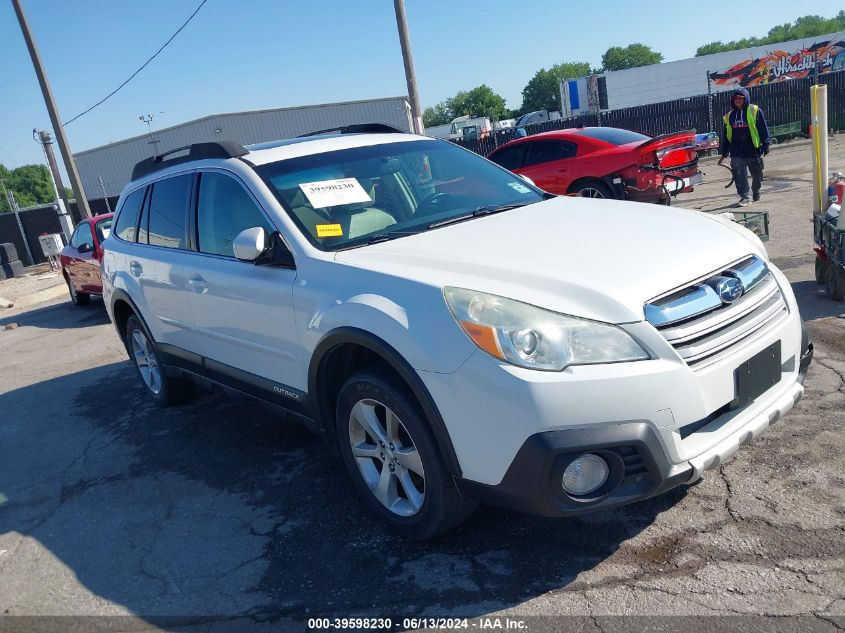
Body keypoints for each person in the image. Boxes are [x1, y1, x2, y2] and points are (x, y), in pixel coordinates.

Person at [720, 87, 770, 207]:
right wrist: (724, 152)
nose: (738, 100)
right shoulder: (729, 116)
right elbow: (726, 135)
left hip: (753, 149)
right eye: (736, 98)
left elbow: (763, 128)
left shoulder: (755, 110)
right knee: (739, 175)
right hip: (737, 151)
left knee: (757, 175)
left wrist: (766, 144)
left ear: (745, 99)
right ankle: (744, 197)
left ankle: (756, 190)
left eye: (740, 98)